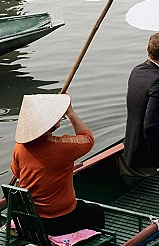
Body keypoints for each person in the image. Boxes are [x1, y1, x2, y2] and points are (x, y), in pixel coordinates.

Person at [10, 93, 105, 236]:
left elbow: (17, 172)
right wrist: (71, 113)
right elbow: (88, 138)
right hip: (59, 220)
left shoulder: (19, 147)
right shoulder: (61, 147)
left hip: (32, 218)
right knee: (96, 212)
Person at [121, 31, 159, 182]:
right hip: (146, 158)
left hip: (129, 147)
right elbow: (150, 126)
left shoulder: (136, 70)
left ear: (147, 49)